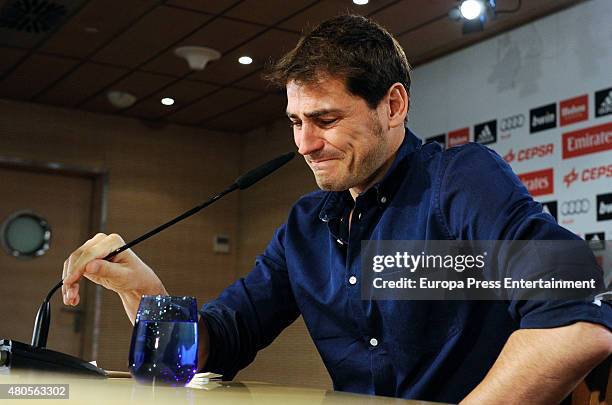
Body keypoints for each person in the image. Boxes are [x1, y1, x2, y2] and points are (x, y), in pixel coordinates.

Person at [61, 15, 612, 404]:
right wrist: (144, 293)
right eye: (295, 122)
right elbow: (217, 347)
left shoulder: (460, 179)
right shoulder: (306, 225)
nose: (304, 144)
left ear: (392, 105)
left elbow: (577, 323)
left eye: (325, 120)